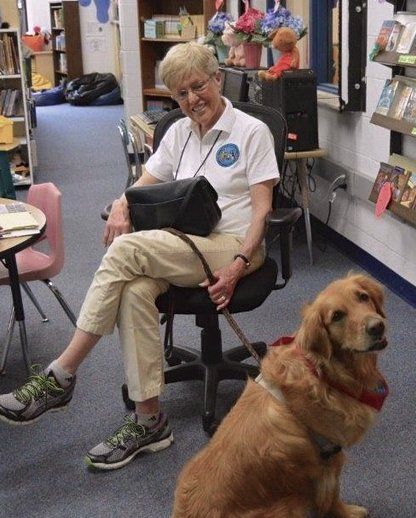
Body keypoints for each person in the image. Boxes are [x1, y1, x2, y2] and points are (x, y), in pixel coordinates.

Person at [0, 42, 280, 470]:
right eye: (180, 94)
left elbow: (263, 209)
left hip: (234, 245)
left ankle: (61, 373)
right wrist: (122, 204)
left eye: (198, 86)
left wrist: (240, 263)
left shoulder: (251, 132)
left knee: (127, 248)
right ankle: (150, 420)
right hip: (183, 244)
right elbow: (144, 182)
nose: (191, 100)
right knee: (133, 290)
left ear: (217, 78)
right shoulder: (180, 133)